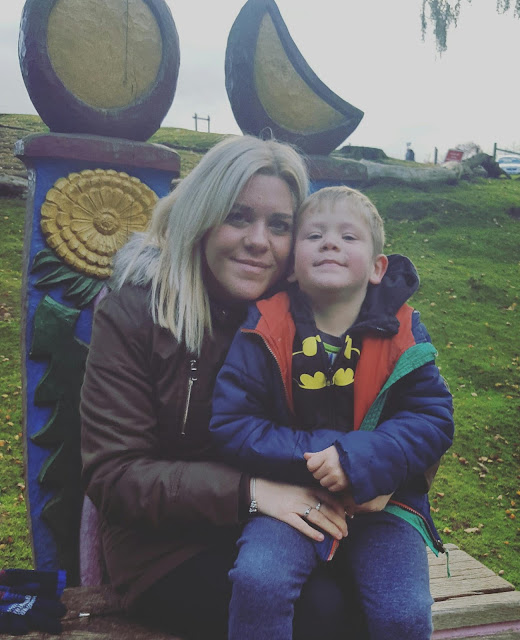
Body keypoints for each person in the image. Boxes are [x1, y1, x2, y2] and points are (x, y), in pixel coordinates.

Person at [80, 136, 359, 640]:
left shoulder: (309, 312)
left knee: (372, 600)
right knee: (317, 615)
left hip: (286, 524)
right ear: (201, 218)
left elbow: (400, 405)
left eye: (279, 225)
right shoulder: (138, 312)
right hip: (166, 546)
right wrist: (251, 493)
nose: (258, 241)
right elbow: (115, 473)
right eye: (237, 217)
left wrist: (379, 469)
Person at [210, 186, 455, 639]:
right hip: (292, 498)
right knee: (258, 580)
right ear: (291, 267)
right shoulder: (264, 327)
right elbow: (233, 423)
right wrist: (323, 457)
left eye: (348, 236)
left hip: (383, 504)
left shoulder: (403, 330)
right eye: (314, 235)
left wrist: (360, 459)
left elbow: (433, 419)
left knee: (404, 612)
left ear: (378, 267)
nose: (330, 244)